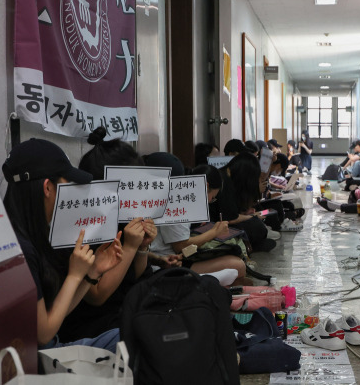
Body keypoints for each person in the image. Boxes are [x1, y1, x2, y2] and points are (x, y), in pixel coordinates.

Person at [2, 139, 124, 353]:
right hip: (41, 360)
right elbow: (43, 334)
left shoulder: (21, 232)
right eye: (67, 185)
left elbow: (53, 316)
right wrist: (75, 275)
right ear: (48, 187)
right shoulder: (20, 248)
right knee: (133, 337)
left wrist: (91, 273)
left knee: (133, 332)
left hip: (45, 350)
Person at [59, 127, 157, 342]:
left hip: (124, 310)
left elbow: (135, 276)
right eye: (131, 183)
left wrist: (142, 247)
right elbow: (97, 296)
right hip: (92, 326)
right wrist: (131, 247)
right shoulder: (80, 224)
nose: (137, 188)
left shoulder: (126, 213)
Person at [143, 153, 248, 285]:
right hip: (166, 265)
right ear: (206, 186)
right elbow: (180, 246)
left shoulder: (167, 198)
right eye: (213, 197)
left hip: (167, 260)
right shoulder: (176, 200)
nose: (211, 201)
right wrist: (214, 233)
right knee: (237, 266)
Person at [209, 152, 277, 252]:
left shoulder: (228, 177)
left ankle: (249, 243)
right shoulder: (224, 181)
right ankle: (248, 244)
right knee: (257, 226)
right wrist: (252, 216)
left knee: (269, 212)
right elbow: (231, 219)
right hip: (216, 226)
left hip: (222, 223)